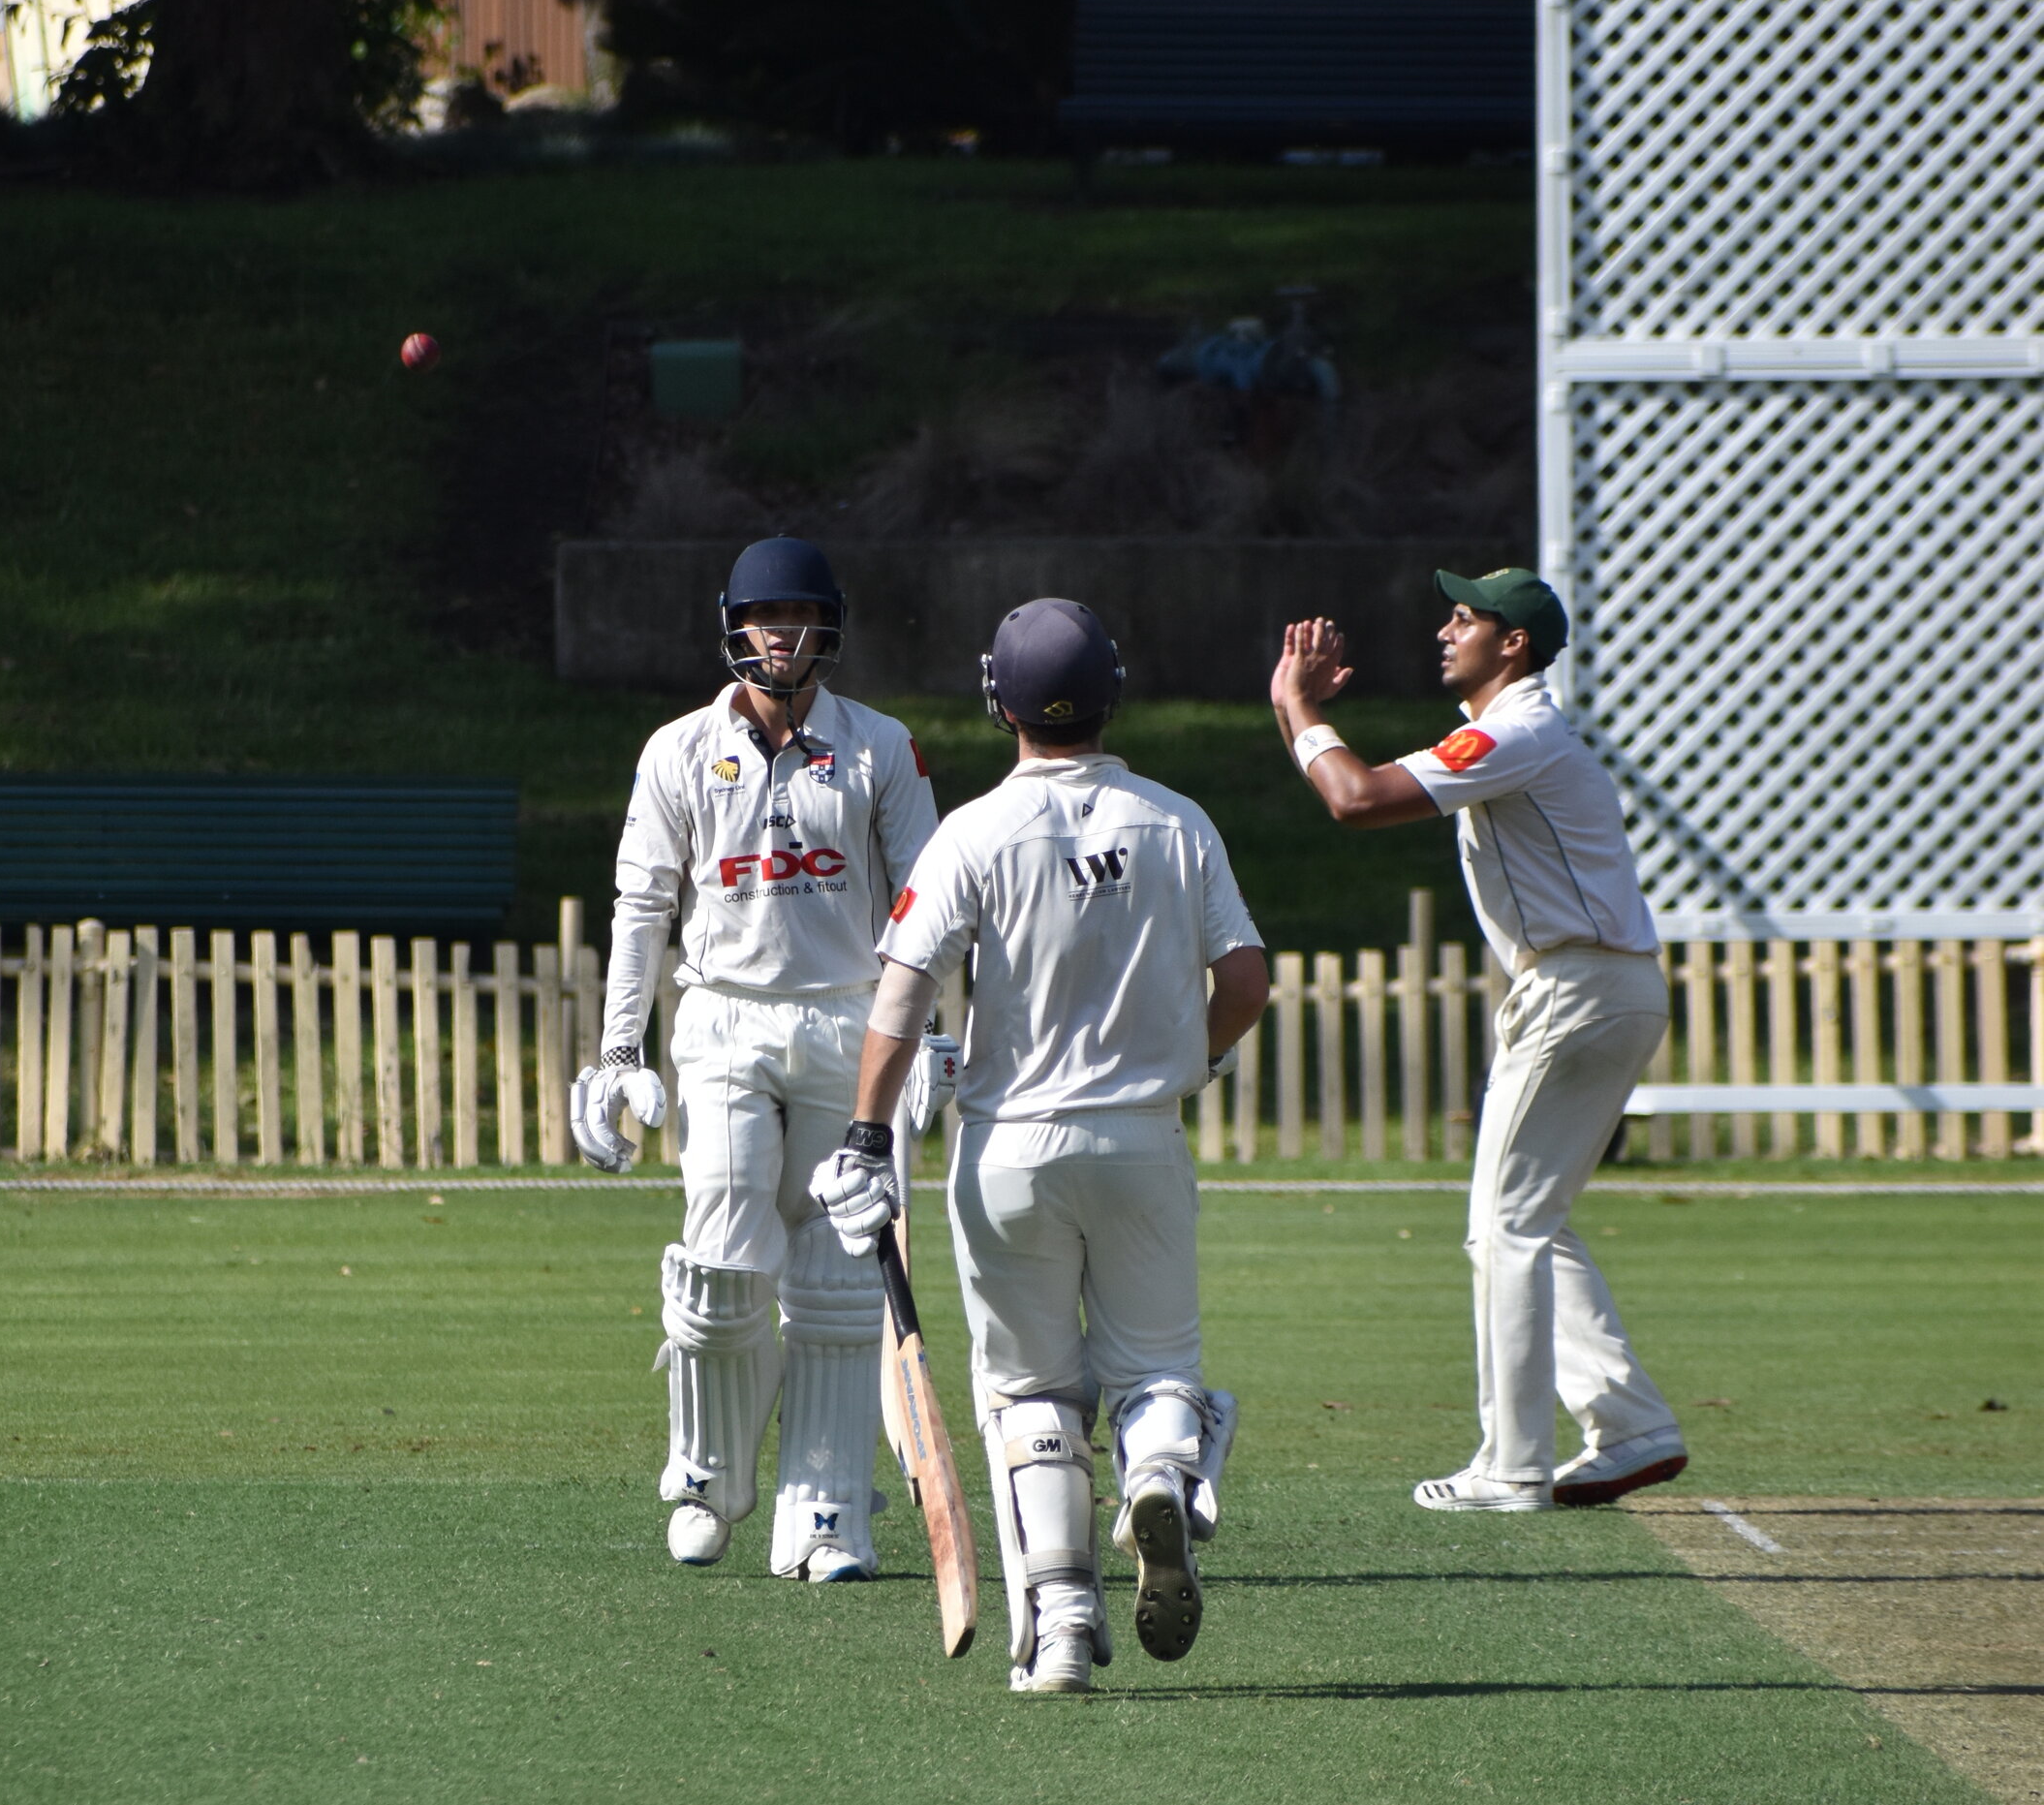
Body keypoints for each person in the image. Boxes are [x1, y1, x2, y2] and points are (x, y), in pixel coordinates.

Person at [809, 599, 1267, 1695]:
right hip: (1141, 1141)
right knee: (1157, 1369)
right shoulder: (1177, 821)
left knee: (1031, 1393)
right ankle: (1158, 1471)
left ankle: (1060, 1629)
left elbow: (902, 995)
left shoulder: (973, 831)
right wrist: (1189, 1062)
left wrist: (866, 1136)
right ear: (1113, 692)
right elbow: (1246, 981)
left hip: (1009, 1149)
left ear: (998, 701)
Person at [1269, 567, 1688, 1516]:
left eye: (1465, 619)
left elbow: (1356, 799)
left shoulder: (1515, 731)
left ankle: (1511, 1466)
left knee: (1507, 1227)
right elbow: (1352, 793)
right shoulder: (1514, 730)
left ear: (1514, 642)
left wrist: (1300, 707)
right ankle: (1630, 1425)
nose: (1444, 631)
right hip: (1599, 984)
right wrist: (1296, 709)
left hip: (1578, 987)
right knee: (1525, 1221)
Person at [571, 535, 943, 1580]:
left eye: (799, 617)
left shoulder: (880, 746)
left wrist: (926, 1032)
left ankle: (824, 1509)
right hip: (723, 1018)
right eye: (763, 617)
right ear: (734, 626)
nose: (781, 635)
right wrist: (616, 1051)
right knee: (723, 1259)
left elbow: (930, 900)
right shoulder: (678, 750)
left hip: (847, 1018)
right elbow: (642, 905)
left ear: (828, 628)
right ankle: (707, 1477)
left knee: (834, 1275)